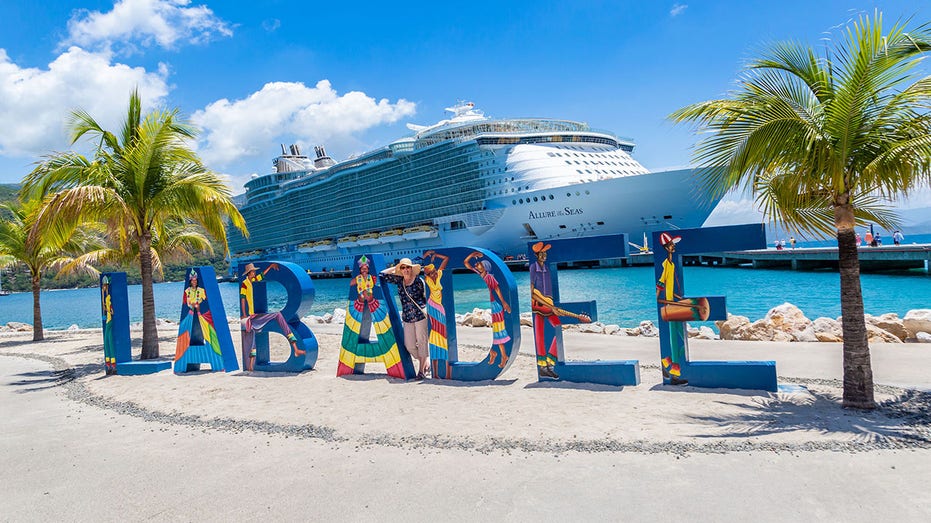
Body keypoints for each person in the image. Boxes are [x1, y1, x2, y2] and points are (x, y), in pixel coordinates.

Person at [529, 241, 591, 379]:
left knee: (558, 329)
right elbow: (532, 291)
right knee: (539, 336)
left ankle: (549, 363)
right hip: (538, 306)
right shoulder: (533, 268)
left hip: (548, 305)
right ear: (536, 254)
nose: (544, 255)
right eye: (542, 253)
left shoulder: (547, 268)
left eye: (545, 253)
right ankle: (543, 368)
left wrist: (551, 305)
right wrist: (550, 305)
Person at [240, 262, 305, 372]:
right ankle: (296, 348)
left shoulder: (254, 281)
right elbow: (242, 299)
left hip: (256, 316)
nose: (255, 272)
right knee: (277, 315)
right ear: (249, 273)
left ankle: (251, 366)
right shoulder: (244, 284)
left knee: (254, 339)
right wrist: (244, 314)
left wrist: (270, 267)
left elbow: (262, 275)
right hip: (252, 316)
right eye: (253, 271)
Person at [381, 257, 429, 379]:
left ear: (412, 268)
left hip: (420, 316)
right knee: (409, 345)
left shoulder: (418, 281)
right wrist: (396, 267)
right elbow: (382, 274)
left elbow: (426, 297)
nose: (406, 269)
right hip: (407, 318)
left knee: (422, 342)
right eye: (403, 267)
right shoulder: (399, 280)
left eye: (408, 267)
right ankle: (425, 361)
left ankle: (421, 371)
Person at [464, 251, 512, 369]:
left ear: (485, 267)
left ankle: (504, 355)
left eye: (479, 264)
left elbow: (497, 289)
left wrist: (504, 303)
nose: (476, 265)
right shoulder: (478, 274)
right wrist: (472, 254)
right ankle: (493, 352)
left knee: (498, 332)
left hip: (494, 307)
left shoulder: (489, 277)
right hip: (489, 306)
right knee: (492, 333)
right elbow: (466, 263)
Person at [656, 232, 689, 385]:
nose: (674, 246)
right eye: (671, 245)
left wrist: (677, 295)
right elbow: (661, 281)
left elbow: (669, 283)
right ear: (667, 247)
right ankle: (674, 374)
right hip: (669, 305)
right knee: (675, 339)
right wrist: (659, 298)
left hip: (673, 301)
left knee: (676, 336)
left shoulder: (671, 263)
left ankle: (667, 364)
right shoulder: (666, 264)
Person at [175, 269, 222, 366]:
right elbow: (186, 302)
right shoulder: (187, 291)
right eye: (192, 280)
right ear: (190, 281)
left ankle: (216, 355)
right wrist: (192, 305)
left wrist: (199, 304)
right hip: (191, 315)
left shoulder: (201, 291)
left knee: (210, 333)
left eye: (195, 280)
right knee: (186, 333)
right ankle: (183, 360)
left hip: (201, 314)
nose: (194, 282)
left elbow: (208, 300)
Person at [421, 250, 451, 379]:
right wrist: (425, 257)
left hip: (440, 307)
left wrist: (435, 255)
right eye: (430, 273)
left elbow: (446, 258)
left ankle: (445, 372)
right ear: (427, 274)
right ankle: (436, 373)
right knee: (435, 331)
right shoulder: (427, 280)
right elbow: (421, 269)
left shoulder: (438, 275)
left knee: (442, 332)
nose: (433, 274)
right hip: (432, 305)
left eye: (433, 271)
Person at [101, 276, 116, 375]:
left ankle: (112, 364)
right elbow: (104, 305)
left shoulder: (109, 298)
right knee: (107, 341)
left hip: (109, 320)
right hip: (107, 319)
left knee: (109, 341)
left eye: (105, 286)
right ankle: (110, 363)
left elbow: (110, 309)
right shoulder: (106, 297)